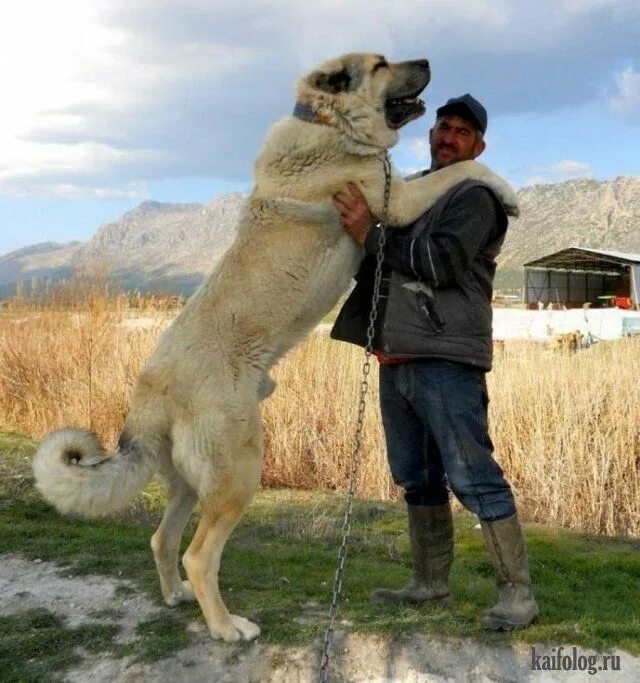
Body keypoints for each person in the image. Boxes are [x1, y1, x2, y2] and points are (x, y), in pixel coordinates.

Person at [330, 94, 539, 630]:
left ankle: (518, 595)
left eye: (462, 132)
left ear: (479, 147)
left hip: (447, 360)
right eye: (443, 127)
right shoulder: (415, 192)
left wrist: (370, 235)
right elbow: (378, 262)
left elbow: (440, 262)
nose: (447, 137)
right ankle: (429, 582)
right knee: (416, 478)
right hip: (396, 356)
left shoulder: (475, 197)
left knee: (473, 477)